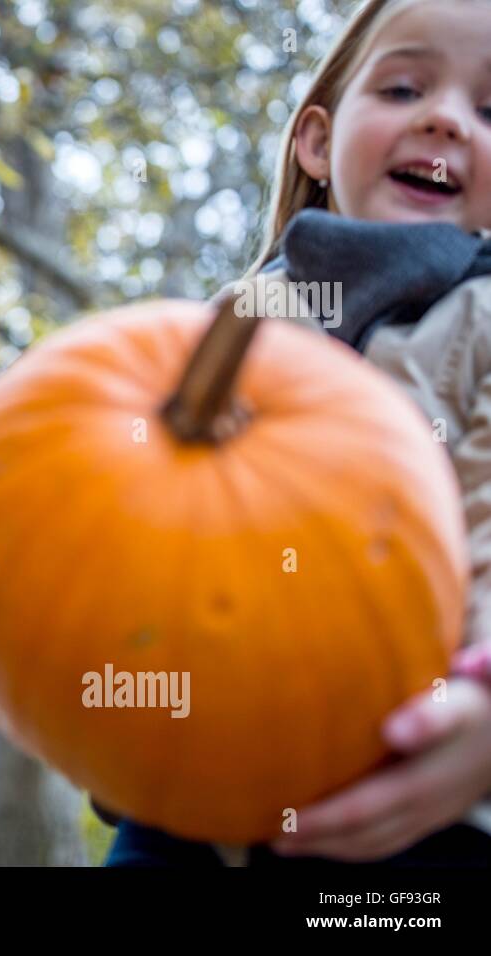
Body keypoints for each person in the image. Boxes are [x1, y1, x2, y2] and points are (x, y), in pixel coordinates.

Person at [103, 0, 491, 867]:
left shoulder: (484, 323)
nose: (445, 119)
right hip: (190, 800)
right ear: (316, 142)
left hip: (416, 792)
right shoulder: (216, 335)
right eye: (403, 86)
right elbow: (120, 531)